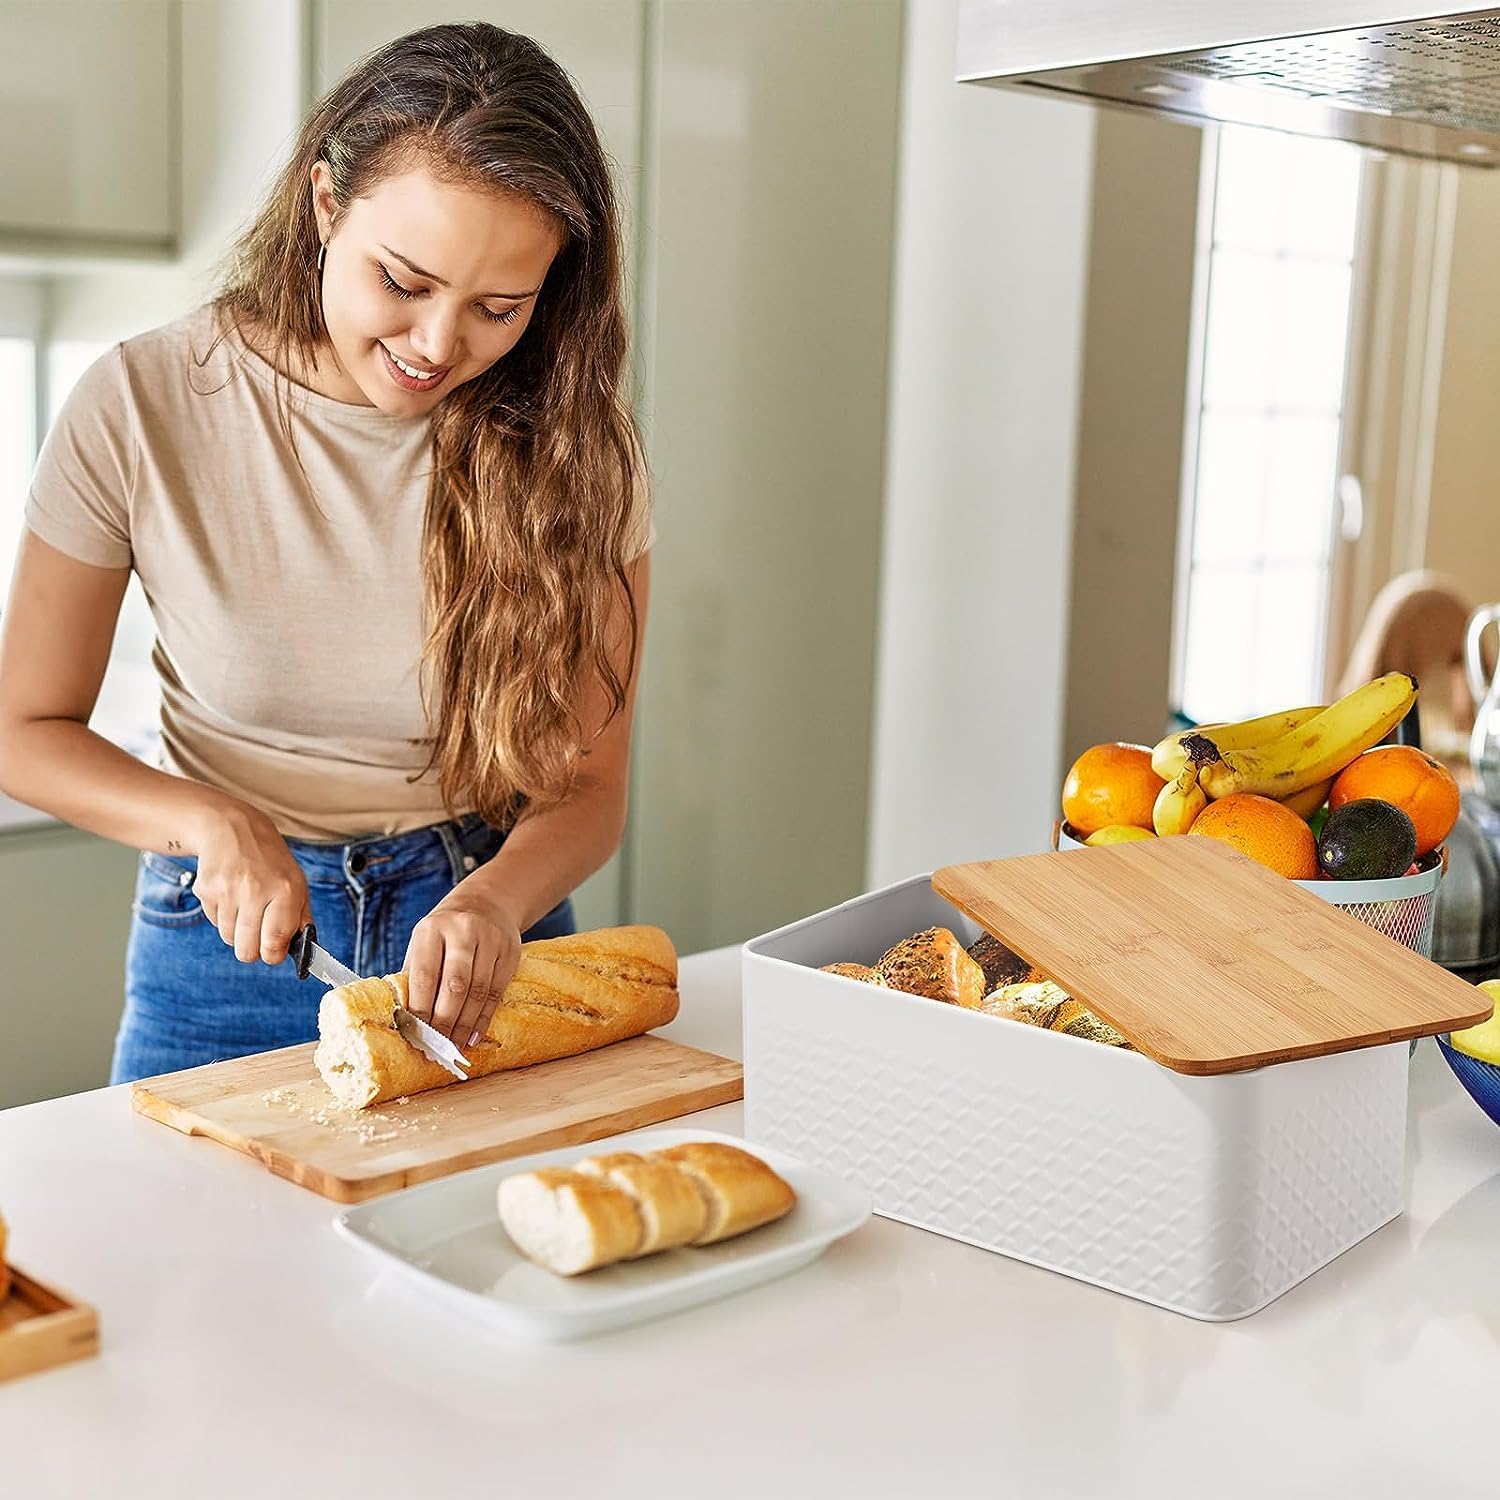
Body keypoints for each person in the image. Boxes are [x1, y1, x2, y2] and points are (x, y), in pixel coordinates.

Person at [0, 23, 653, 1083]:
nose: (439, 344)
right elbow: (22, 730)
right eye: (403, 281)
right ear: (323, 208)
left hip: (483, 937)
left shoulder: (576, 448)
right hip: (222, 940)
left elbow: (587, 787)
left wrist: (493, 900)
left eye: (498, 309)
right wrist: (206, 820)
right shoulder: (143, 403)